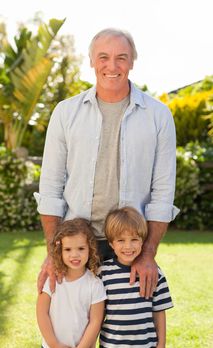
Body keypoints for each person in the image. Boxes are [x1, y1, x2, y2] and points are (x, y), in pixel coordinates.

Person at [34, 27, 179, 298]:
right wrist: (53, 253)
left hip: (129, 249)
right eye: (103, 57)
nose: (112, 66)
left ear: (132, 61)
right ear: (91, 60)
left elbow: (163, 191)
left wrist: (147, 254)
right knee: (73, 339)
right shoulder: (66, 113)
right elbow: (51, 187)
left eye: (121, 57)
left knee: (126, 338)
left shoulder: (158, 116)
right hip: (76, 245)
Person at [99, 206, 173, 348]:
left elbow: (159, 312)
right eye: (121, 240)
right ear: (111, 244)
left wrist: (161, 344)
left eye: (134, 239)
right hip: (111, 346)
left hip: (146, 346)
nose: (128, 246)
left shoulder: (153, 272)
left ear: (142, 241)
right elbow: (98, 314)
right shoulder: (103, 273)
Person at [36, 218, 106, 348]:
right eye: (68, 249)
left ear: (90, 249)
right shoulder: (52, 279)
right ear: (60, 251)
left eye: (81, 248)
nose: (75, 255)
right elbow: (41, 313)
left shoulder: (95, 284)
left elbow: (95, 321)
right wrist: (55, 345)